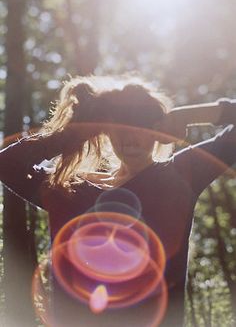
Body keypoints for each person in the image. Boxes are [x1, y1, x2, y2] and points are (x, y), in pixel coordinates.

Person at [0, 76, 236, 326]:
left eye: (141, 127)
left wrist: (184, 116)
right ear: (106, 131)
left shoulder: (180, 175)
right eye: (120, 128)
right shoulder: (69, 189)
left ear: (158, 130)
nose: (130, 139)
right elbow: (6, 164)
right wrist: (74, 133)